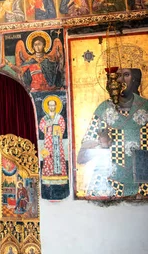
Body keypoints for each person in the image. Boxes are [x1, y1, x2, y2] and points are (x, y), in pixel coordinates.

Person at [77, 67, 148, 197]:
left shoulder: (146, 107)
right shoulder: (104, 110)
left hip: (143, 185)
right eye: (115, 77)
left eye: (125, 75)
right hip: (109, 184)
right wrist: (101, 144)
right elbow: (81, 158)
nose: (119, 80)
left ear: (135, 80)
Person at [39, 98, 67, 180]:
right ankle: (48, 176)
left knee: (58, 157)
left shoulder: (59, 117)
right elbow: (41, 126)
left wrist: (56, 129)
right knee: (48, 157)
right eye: (50, 105)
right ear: (47, 106)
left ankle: (60, 177)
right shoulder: (45, 118)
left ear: (56, 106)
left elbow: (62, 127)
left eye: (53, 105)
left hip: (57, 141)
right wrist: (47, 126)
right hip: (48, 141)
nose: (52, 107)